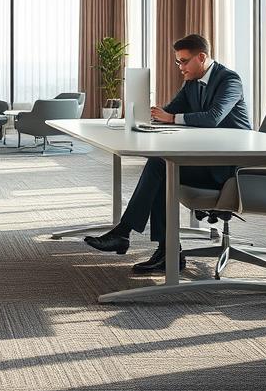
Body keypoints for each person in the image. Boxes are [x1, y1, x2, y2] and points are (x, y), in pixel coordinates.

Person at [84, 33, 251, 273]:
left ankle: (132, 236)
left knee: (161, 166)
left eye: (184, 61)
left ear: (201, 57)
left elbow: (214, 118)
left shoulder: (229, 80)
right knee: (162, 166)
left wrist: (171, 117)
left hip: (229, 166)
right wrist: (148, 114)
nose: (180, 67)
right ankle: (164, 250)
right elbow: (171, 110)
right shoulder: (191, 81)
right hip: (207, 157)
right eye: (178, 62)